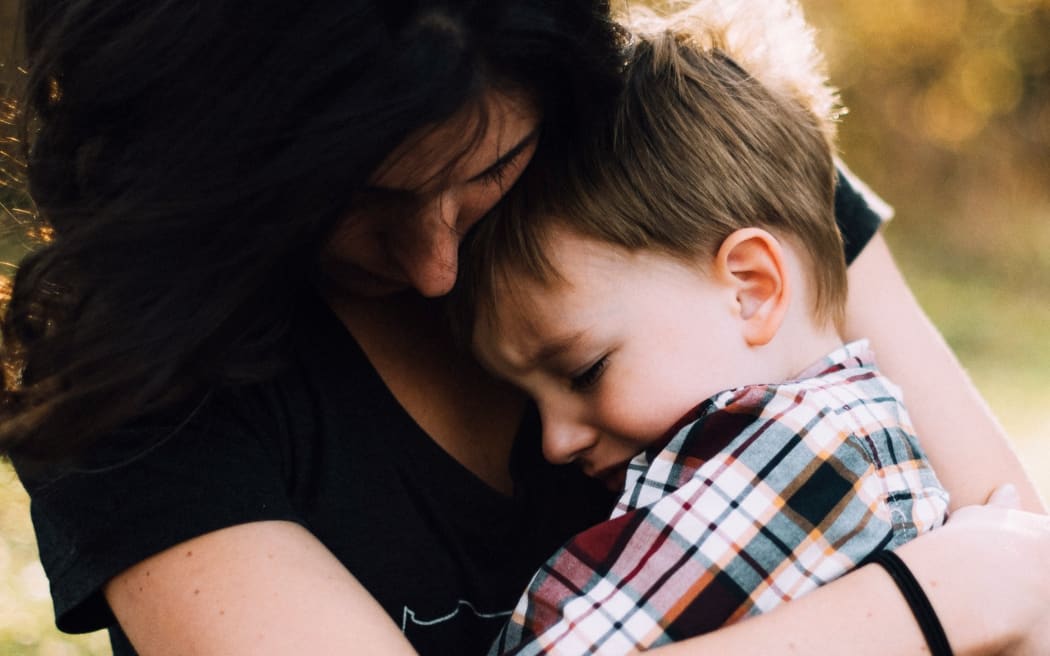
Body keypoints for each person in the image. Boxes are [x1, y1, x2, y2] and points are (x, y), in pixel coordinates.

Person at [0, 1, 1046, 655]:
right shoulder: (131, 365)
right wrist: (934, 601)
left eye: (489, 171)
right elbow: (1012, 575)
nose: (435, 267)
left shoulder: (688, 162)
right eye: (353, 203)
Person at [456, 5, 950, 652]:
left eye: (584, 371)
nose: (554, 442)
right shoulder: (845, 439)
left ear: (751, 289)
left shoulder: (803, 458)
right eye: (530, 398)